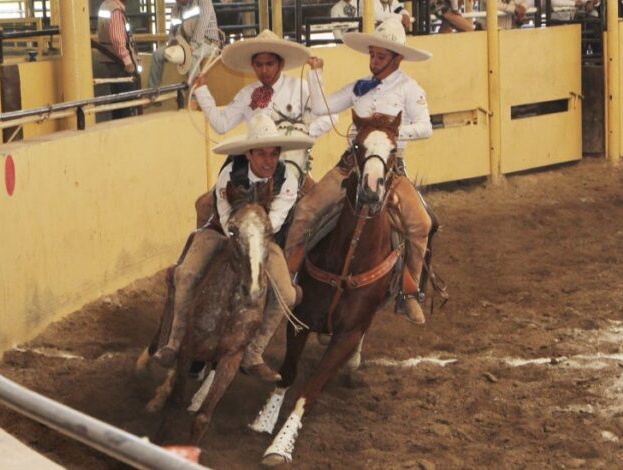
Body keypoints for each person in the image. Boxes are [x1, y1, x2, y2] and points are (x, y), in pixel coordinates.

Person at [289, 18, 434, 324]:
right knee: (304, 210)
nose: (374, 61)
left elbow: (426, 127)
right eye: (372, 55)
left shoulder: (411, 89)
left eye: (380, 56)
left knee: (421, 223)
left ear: (397, 58)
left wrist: (388, 136)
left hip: (390, 170)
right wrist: (317, 74)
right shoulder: (359, 87)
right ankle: (287, 281)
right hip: (349, 166)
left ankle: (409, 293)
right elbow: (321, 108)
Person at [150, 114, 314, 381]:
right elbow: (227, 219)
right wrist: (243, 236)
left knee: (286, 292)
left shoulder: (288, 181)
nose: (268, 161)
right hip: (221, 233)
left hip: (263, 239)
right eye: (261, 154)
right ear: (248, 154)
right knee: (186, 274)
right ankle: (175, 342)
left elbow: (274, 221)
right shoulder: (229, 173)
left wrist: (254, 240)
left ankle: (253, 353)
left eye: (274, 154)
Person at [192, 29, 335, 139]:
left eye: (270, 64)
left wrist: (303, 132)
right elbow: (221, 125)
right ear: (252, 65)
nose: (264, 70)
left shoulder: (299, 87)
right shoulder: (247, 94)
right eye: (259, 65)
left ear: (281, 64)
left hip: (294, 164)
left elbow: (330, 117)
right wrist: (201, 90)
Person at [147, 0, 220, 89]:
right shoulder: (176, 8)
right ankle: (152, 93)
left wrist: (192, 46)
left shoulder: (204, 1)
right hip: (185, 44)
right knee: (157, 54)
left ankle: (195, 95)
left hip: (208, 43)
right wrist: (172, 44)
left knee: (191, 56)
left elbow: (202, 25)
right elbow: (172, 31)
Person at [97, 0, 141, 119]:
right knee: (126, 100)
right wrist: (128, 62)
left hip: (110, 59)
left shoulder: (106, 5)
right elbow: (117, 39)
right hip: (118, 62)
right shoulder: (115, 11)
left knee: (117, 99)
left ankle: (118, 123)